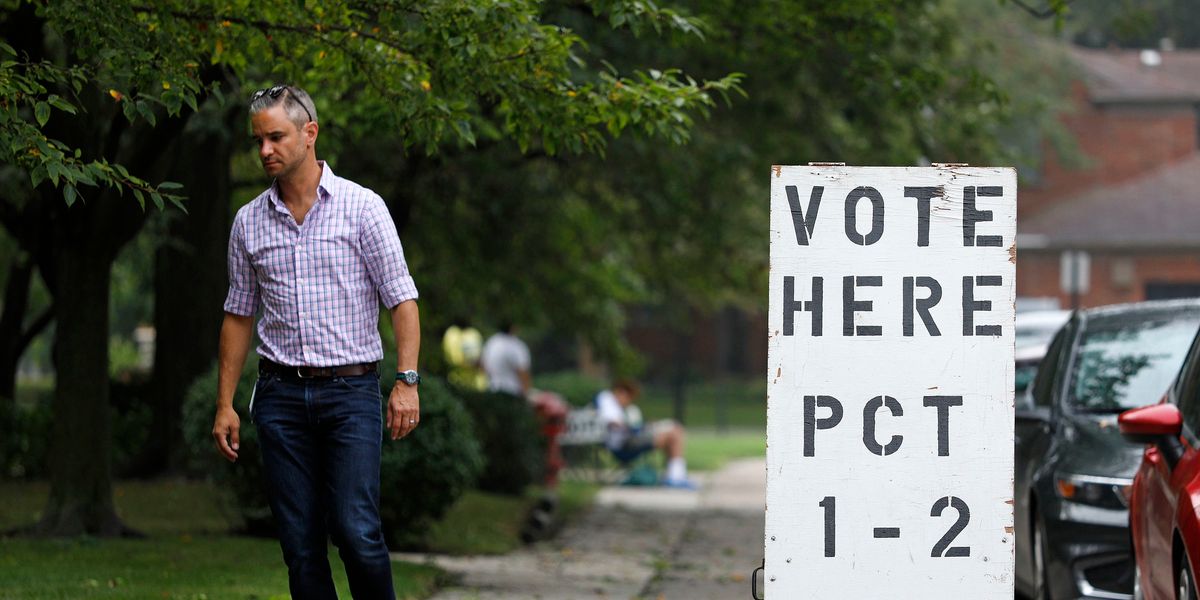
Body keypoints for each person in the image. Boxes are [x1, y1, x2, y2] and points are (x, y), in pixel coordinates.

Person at [210, 84, 421, 600]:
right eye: (258, 141)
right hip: (280, 400)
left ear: (310, 133)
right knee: (301, 546)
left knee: (357, 533)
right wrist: (225, 404)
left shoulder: (363, 208)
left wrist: (407, 382)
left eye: (276, 137)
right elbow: (238, 315)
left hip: (351, 396)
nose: (265, 151)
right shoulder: (248, 222)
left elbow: (402, 300)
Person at [595, 378, 695, 489]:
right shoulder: (607, 399)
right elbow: (614, 423)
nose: (629, 401)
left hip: (632, 438)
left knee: (674, 428)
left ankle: (675, 476)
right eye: (629, 397)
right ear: (621, 392)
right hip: (624, 444)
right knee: (673, 433)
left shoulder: (618, 406)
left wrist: (643, 425)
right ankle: (675, 477)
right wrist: (634, 426)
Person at [480, 322, 531, 396]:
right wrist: (526, 395)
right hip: (512, 392)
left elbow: (483, 366)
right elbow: (523, 373)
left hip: (492, 389)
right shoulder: (517, 346)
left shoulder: (491, 342)